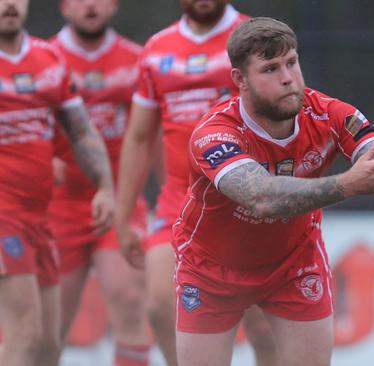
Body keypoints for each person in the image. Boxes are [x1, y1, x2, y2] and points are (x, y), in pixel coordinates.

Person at [173, 17, 374, 366]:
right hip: (211, 269)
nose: (288, 78)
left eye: (292, 62)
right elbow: (260, 197)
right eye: (270, 68)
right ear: (239, 80)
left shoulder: (329, 114)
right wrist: (346, 185)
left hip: (292, 264)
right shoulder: (214, 134)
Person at [115, 1, 278, 365]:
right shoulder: (157, 49)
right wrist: (123, 215)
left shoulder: (255, 35)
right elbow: (140, 137)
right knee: (160, 305)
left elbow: (286, 113)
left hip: (243, 201)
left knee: (263, 326)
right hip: (180, 200)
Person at [0, 0, 115, 364]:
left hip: (38, 216)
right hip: (3, 216)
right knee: (24, 333)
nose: (9, 5)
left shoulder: (49, 58)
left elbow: (81, 131)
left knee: (49, 344)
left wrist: (106, 186)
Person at [48, 0, 152, 365]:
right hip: (57, 207)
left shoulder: (138, 60)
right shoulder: (45, 60)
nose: (89, 5)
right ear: (63, 7)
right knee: (49, 326)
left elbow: (150, 136)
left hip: (121, 203)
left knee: (130, 302)